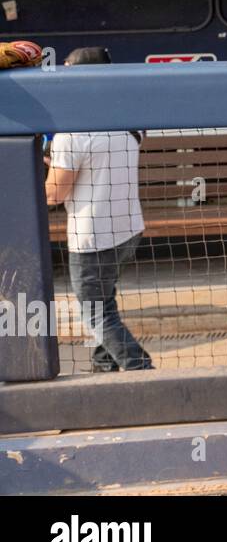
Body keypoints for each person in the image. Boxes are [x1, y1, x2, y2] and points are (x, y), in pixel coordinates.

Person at [44, 46, 153, 372]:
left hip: (93, 238)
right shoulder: (130, 122)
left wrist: (46, 170)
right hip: (128, 230)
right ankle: (104, 364)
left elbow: (55, 194)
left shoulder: (71, 131)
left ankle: (138, 367)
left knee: (94, 310)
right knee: (104, 301)